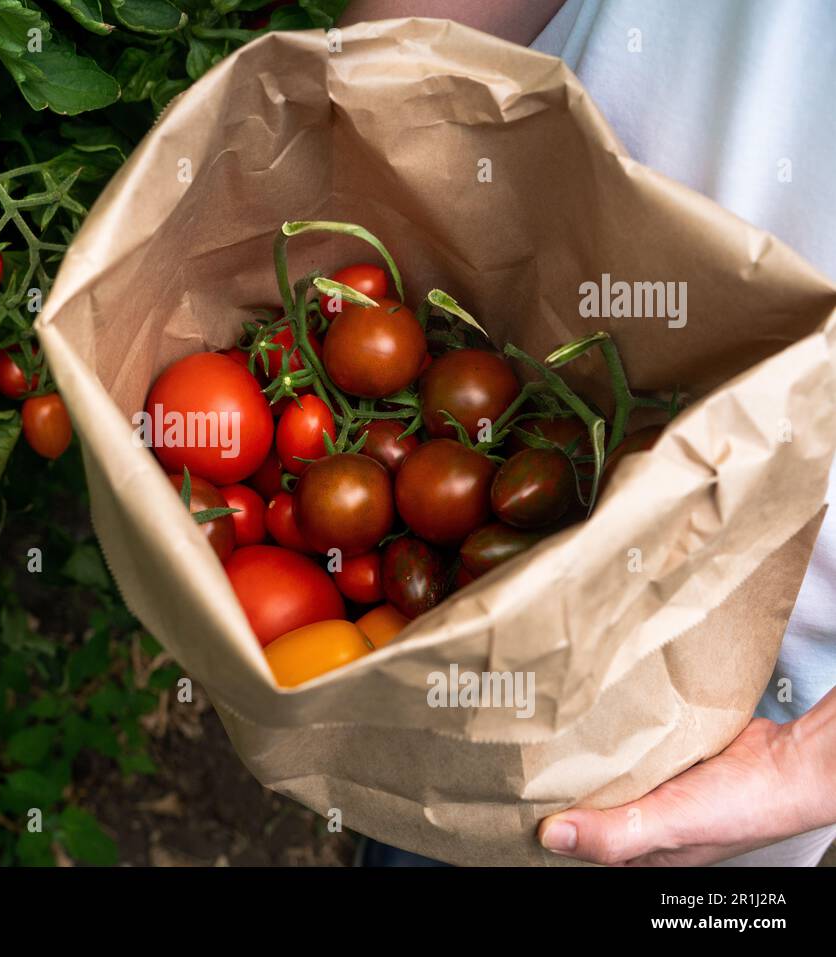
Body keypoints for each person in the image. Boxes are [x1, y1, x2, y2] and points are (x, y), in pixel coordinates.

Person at [342, 0, 836, 866]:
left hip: (746, 681)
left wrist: (809, 764)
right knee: (409, 819)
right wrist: (364, 105)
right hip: (489, 305)